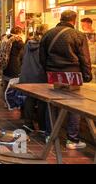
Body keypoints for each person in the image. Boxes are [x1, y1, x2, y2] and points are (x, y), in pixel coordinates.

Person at [39, 10, 93, 149]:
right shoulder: (78, 35)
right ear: (74, 21)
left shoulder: (48, 34)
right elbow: (84, 58)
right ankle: (72, 140)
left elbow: (42, 57)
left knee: (52, 103)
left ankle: (49, 135)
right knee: (74, 105)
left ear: (61, 19)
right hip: (72, 73)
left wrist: (48, 70)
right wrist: (87, 75)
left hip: (54, 73)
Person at [20, 24, 49, 134]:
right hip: (40, 75)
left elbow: (22, 56)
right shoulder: (44, 44)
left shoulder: (28, 43)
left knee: (29, 99)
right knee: (41, 101)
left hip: (28, 74)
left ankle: (28, 124)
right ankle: (42, 126)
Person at [1, 26, 25, 96]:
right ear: (19, 32)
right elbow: (24, 51)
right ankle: (12, 101)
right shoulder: (17, 40)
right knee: (14, 82)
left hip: (6, 63)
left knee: (5, 82)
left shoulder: (6, 38)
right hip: (14, 64)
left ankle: (5, 101)